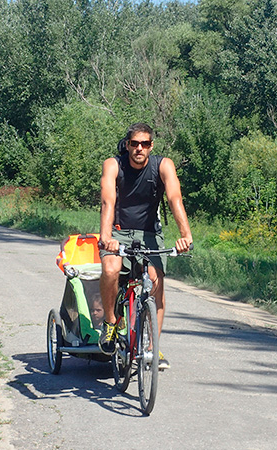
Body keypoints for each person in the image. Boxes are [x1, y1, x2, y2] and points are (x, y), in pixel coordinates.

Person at [98, 122, 193, 370]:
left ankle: (152, 349)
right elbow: (108, 202)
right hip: (117, 231)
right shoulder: (113, 165)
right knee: (110, 268)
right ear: (127, 145)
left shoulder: (163, 165)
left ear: (152, 145)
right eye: (134, 143)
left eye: (145, 144)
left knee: (156, 282)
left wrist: (185, 235)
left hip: (149, 232)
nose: (139, 148)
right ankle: (110, 323)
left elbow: (175, 198)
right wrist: (106, 235)